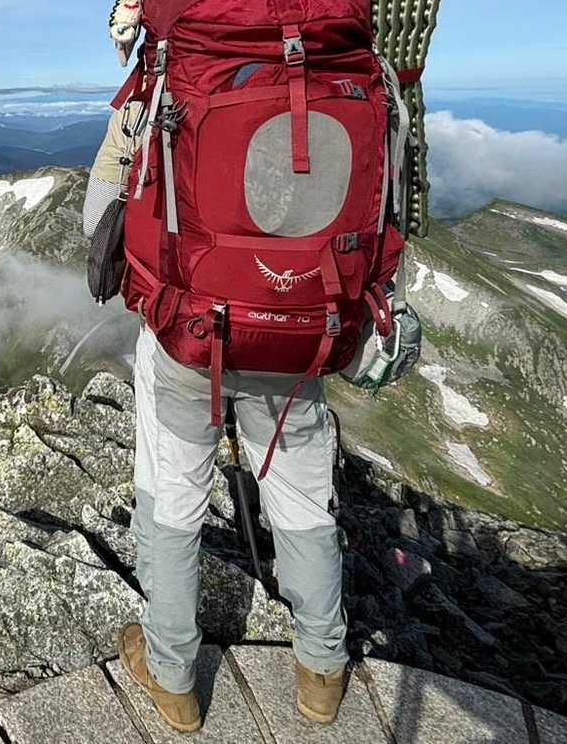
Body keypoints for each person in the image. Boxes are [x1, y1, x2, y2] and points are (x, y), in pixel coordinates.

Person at [85, 111, 349, 732]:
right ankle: (322, 672)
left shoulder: (161, 79)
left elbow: (98, 217)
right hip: (296, 336)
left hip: (188, 335)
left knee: (174, 499)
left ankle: (173, 676)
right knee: (303, 504)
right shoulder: (338, 72)